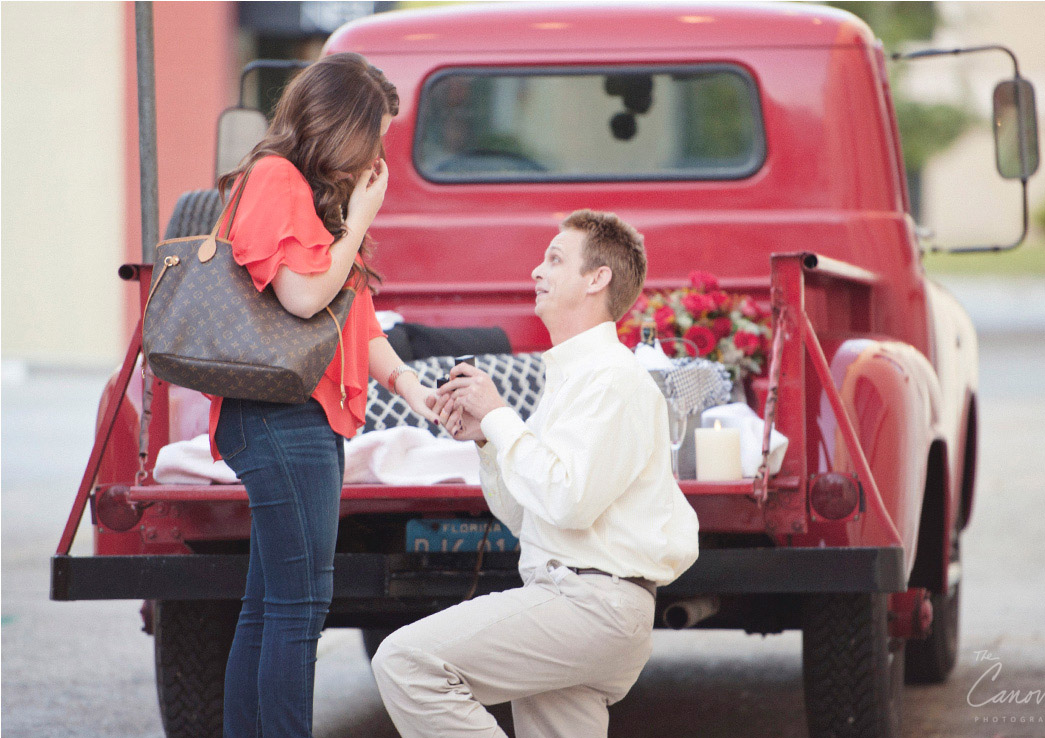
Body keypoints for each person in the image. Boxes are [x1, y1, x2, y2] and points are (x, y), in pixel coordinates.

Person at [371, 210, 700, 738]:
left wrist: (500, 416)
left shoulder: (613, 379)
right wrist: (485, 438)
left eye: (554, 259)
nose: (536, 272)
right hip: (586, 602)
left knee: (407, 663)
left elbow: (569, 500)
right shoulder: (573, 378)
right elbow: (529, 516)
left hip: (589, 605)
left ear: (597, 279)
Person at [209, 53, 439, 738]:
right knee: (299, 607)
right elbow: (306, 297)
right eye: (376, 137)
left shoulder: (308, 195)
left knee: (269, 604)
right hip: (280, 415)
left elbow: (353, 317)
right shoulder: (274, 179)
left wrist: (410, 385)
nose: (378, 157)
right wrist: (363, 216)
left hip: (300, 416)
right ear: (342, 127)